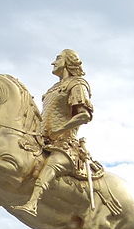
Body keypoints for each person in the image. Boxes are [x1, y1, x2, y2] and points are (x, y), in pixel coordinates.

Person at [14, 49, 95, 217]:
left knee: (51, 165)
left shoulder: (77, 84)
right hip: (44, 142)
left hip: (65, 145)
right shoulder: (53, 89)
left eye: (58, 58)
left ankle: (32, 204)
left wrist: (60, 129)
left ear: (68, 62)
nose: (53, 62)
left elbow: (84, 115)